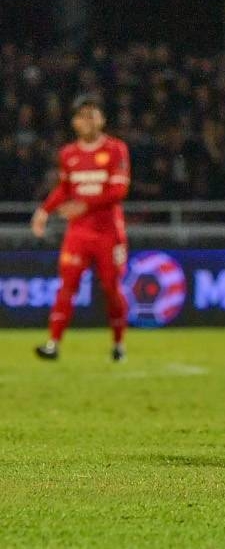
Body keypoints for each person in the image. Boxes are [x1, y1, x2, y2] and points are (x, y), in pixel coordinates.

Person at [31, 95, 131, 362]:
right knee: (67, 285)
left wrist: (84, 205)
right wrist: (44, 211)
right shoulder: (68, 154)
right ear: (74, 122)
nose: (87, 120)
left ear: (102, 119)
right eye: (81, 115)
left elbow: (118, 190)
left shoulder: (116, 149)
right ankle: (53, 343)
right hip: (79, 233)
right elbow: (64, 189)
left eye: (92, 114)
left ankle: (119, 343)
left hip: (109, 232)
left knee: (111, 287)